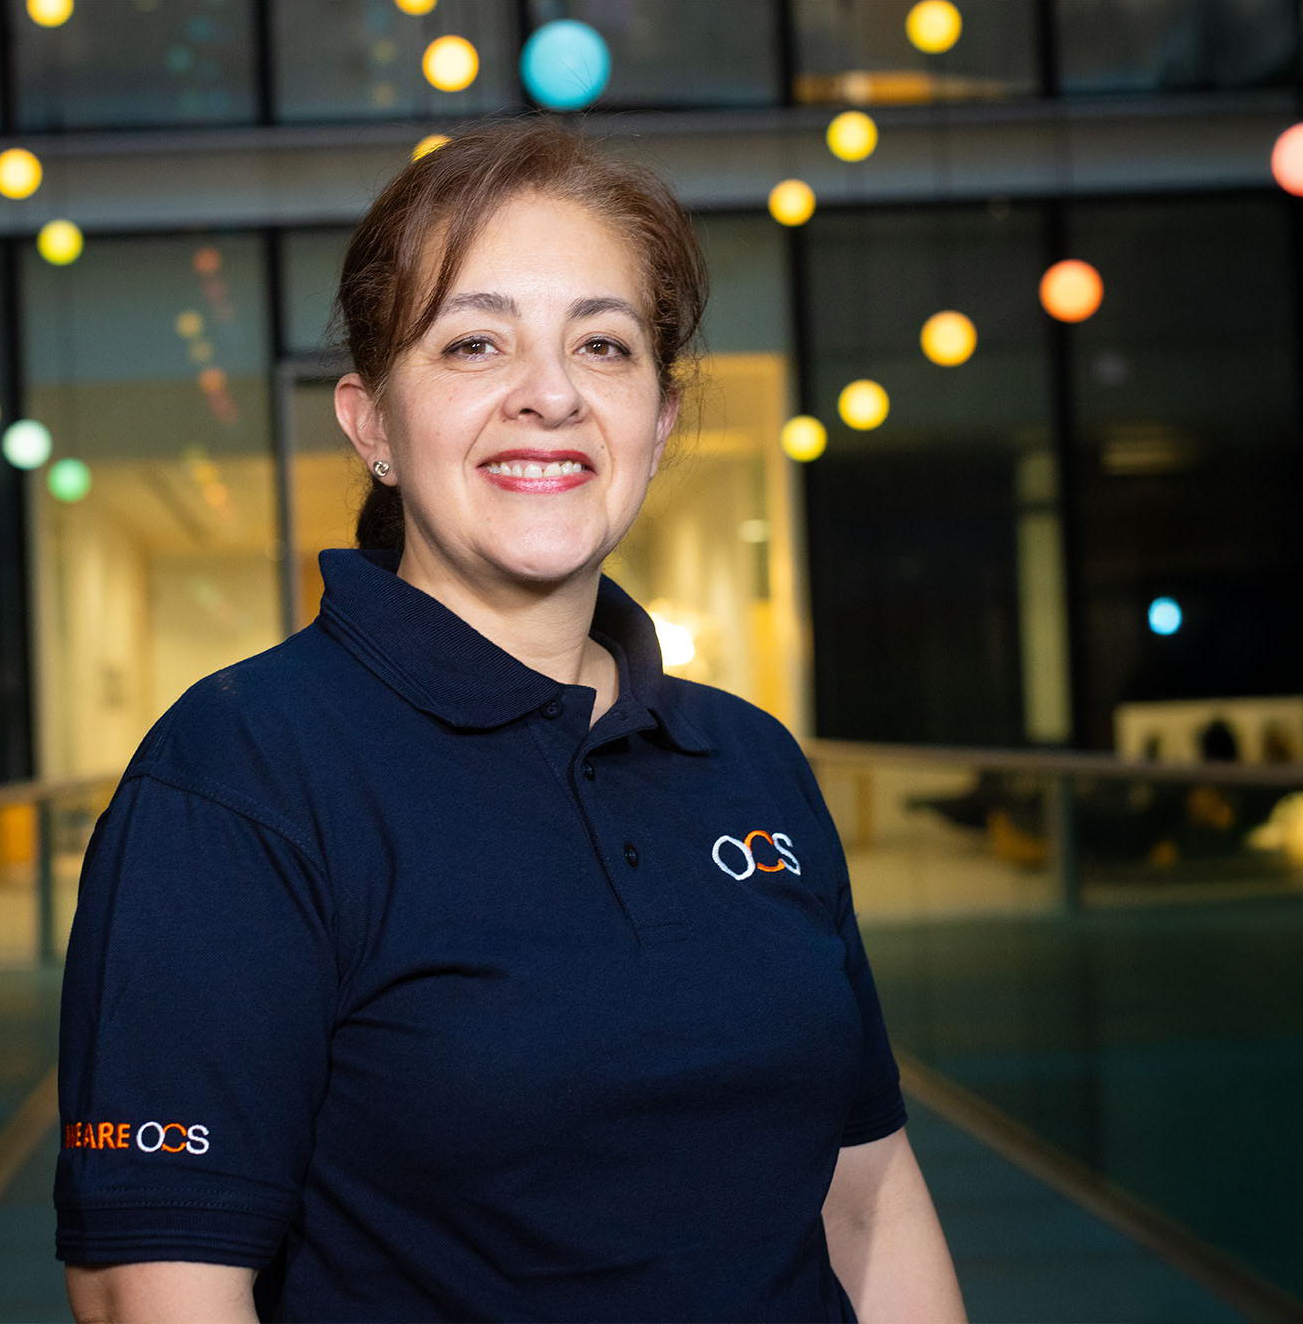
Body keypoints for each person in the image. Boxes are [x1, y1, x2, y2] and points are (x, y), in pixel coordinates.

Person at [54, 114, 966, 1323]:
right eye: (474, 342)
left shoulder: (748, 760)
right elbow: (150, 1287)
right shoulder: (241, 772)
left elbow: (867, 1192)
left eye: (602, 344)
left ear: (659, 417)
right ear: (372, 422)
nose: (548, 395)